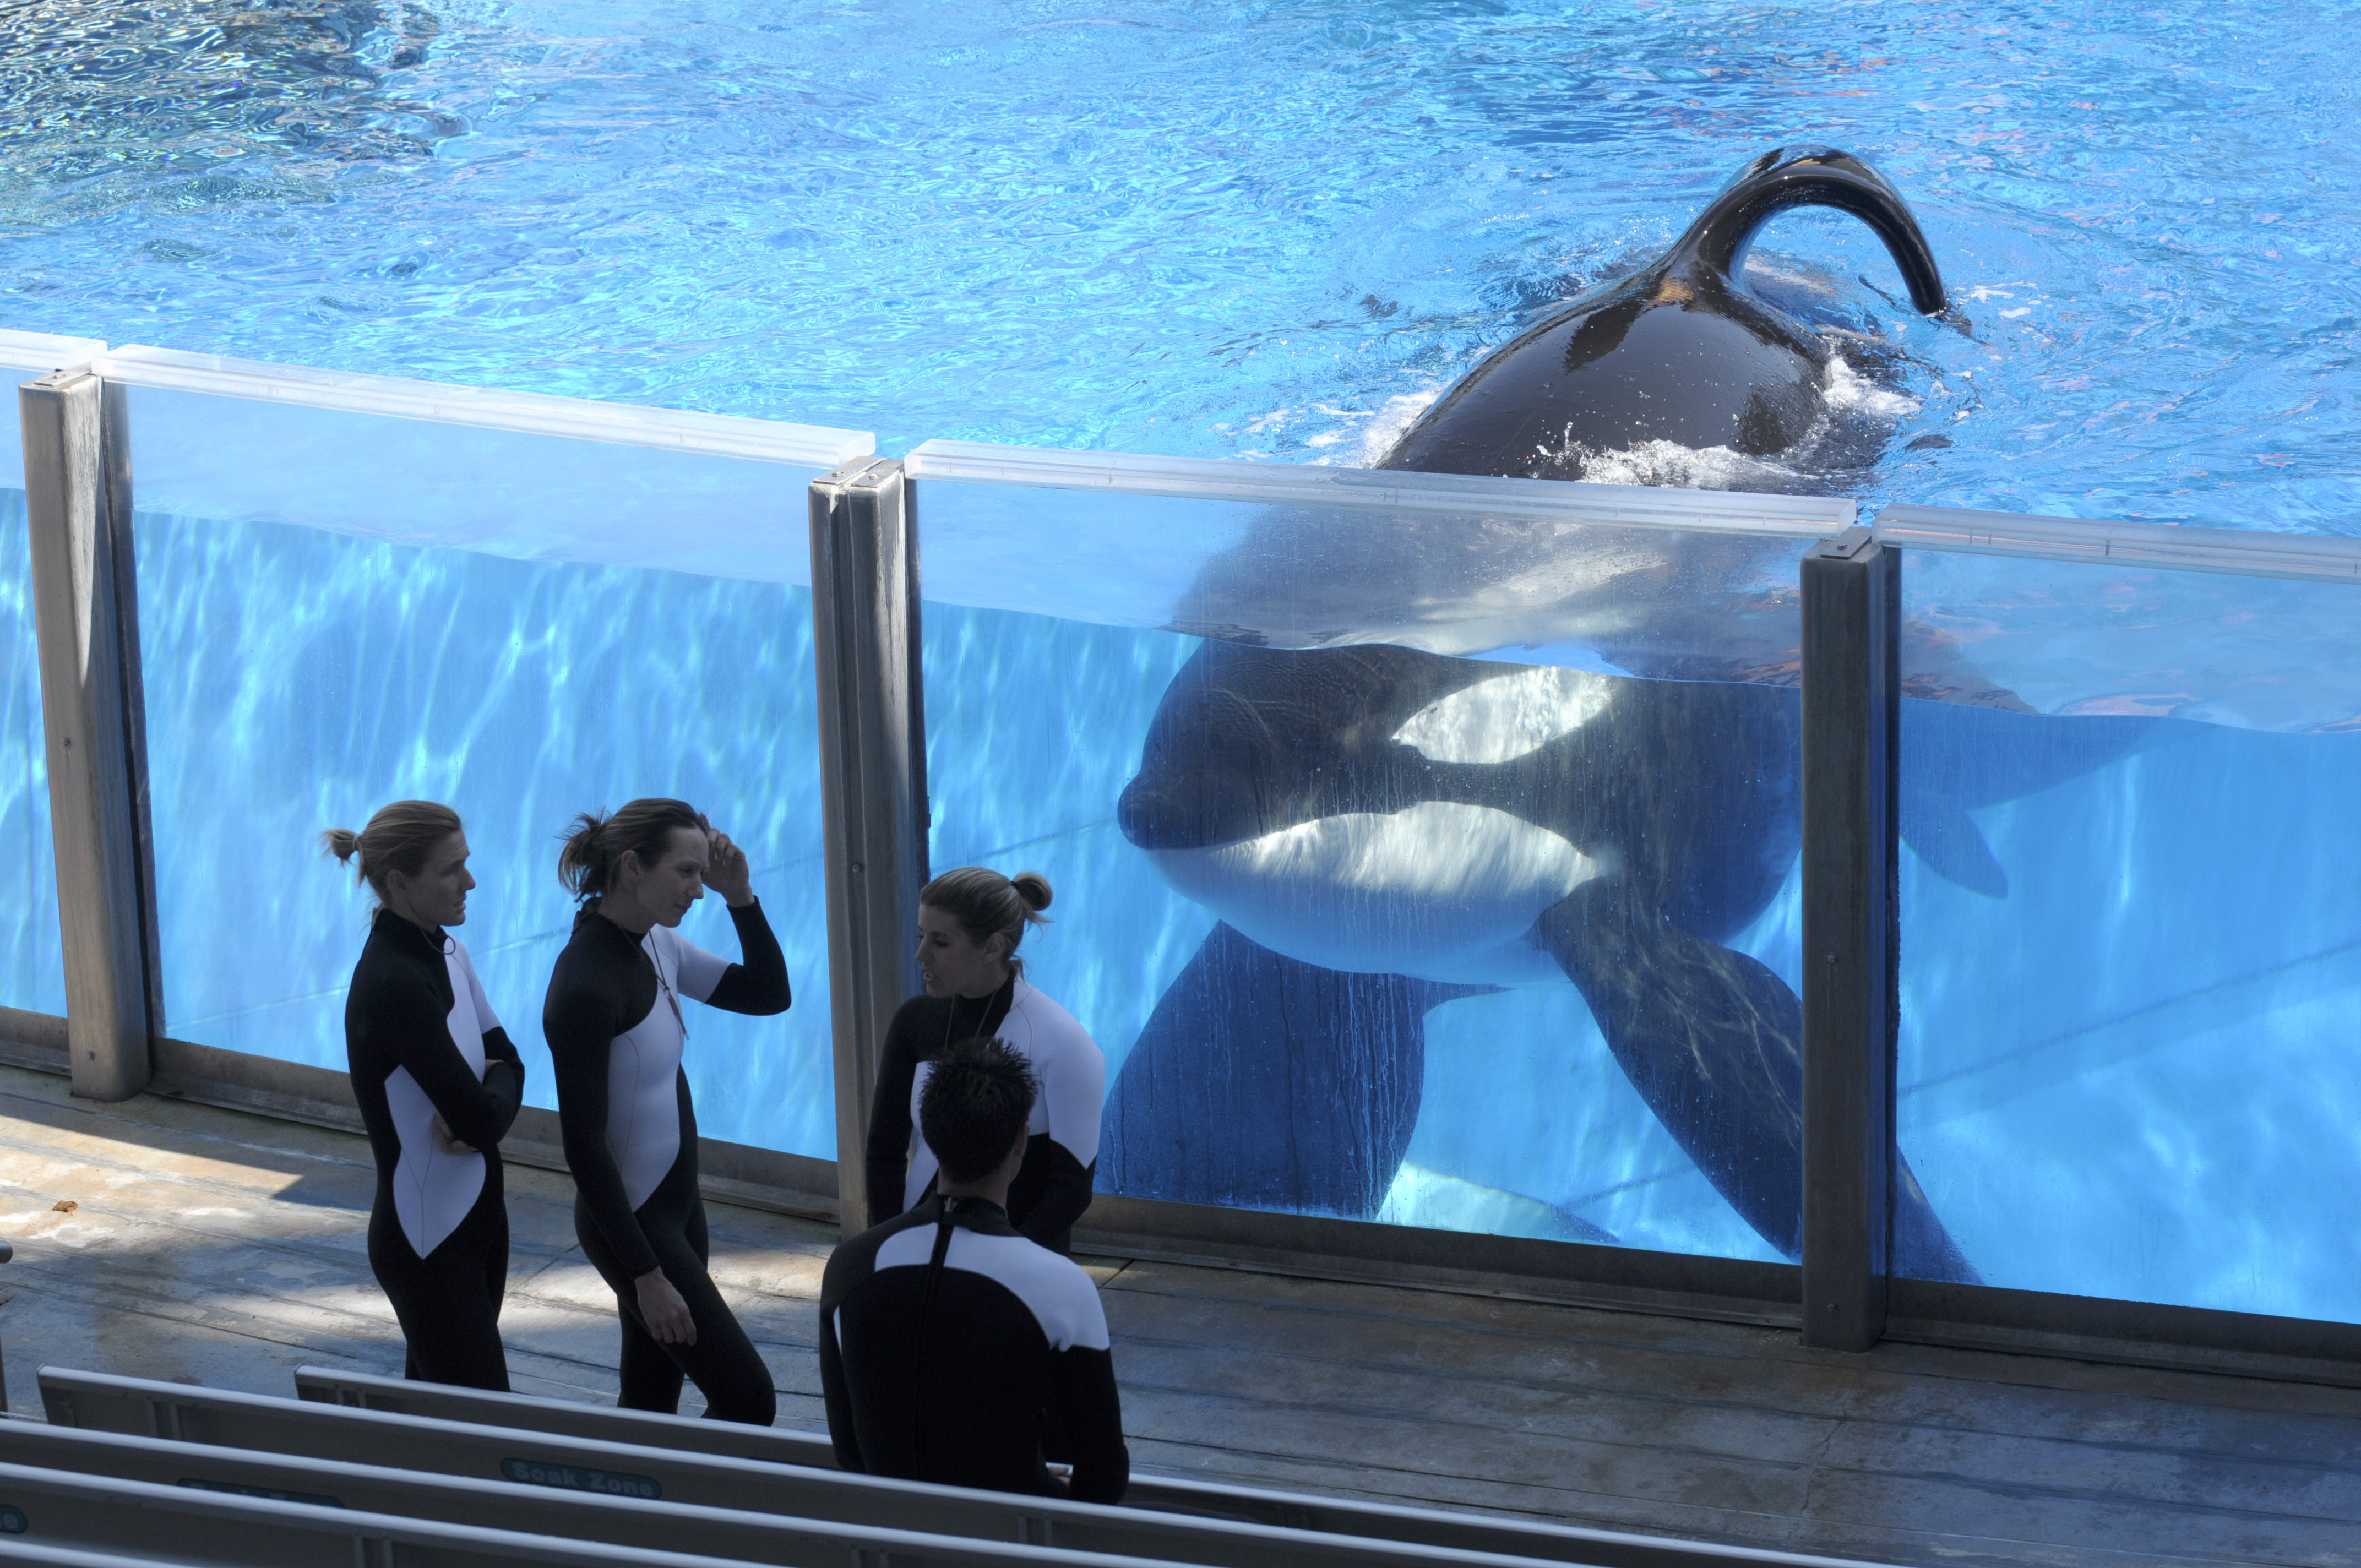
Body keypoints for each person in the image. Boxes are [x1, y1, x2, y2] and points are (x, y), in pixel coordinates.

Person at [542, 797, 790, 1423]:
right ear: (632, 867)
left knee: (650, 1398)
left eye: (702, 874)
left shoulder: (658, 946)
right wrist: (646, 1276)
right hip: (633, 1226)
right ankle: (696, 1521)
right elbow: (582, 1145)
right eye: (687, 873)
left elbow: (769, 995)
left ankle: (636, 1514)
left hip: (679, 1209)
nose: (698, 891)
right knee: (747, 1395)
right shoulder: (586, 984)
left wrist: (743, 898)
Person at [822, 1037, 1127, 1502]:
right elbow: (1103, 1478)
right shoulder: (1063, 1287)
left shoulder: (849, 1265)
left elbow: (851, 1451)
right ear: (1021, 1140)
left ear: (927, 1129)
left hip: (889, 1537)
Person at [328, 800, 525, 1391]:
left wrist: (493, 1087)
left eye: (466, 863)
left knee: (440, 1435)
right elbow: (483, 1118)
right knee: (485, 1437)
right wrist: (492, 1092)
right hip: (428, 1243)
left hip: (478, 1223)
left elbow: (507, 1060)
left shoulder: (446, 949)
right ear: (398, 881)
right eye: (451, 869)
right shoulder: (394, 982)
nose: (469, 881)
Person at [865, 868, 1104, 1253]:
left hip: (1021, 1267)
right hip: (917, 1251)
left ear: (992, 947)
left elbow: (1070, 1191)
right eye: (921, 935)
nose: (920, 954)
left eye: (940, 942)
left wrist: (1000, 1267)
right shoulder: (914, 1021)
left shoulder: (1064, 1042)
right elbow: (884, 1152)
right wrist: (891, 1248)